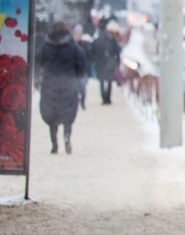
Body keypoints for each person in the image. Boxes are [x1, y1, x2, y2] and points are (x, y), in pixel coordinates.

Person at [34, 21, 89, 154]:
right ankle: (67, 137)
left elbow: (37, 60)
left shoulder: (47, 45)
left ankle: (54, 143)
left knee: (51, 114)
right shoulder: (72, 46)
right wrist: (76, 76)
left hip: (50, 85)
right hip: (68, 84)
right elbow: (82, 62)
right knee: (68, 114)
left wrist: (38, 78)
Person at [90, 22, 122, 105]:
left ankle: (104, 97)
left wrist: (94, 61)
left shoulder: (97, 40)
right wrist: (117, 61)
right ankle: (107, 98)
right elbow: (117, 51)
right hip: (110, 63)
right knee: (109, 81)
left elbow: (92, 52)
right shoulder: (111, 39)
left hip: (100, 63)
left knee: (101, 81)